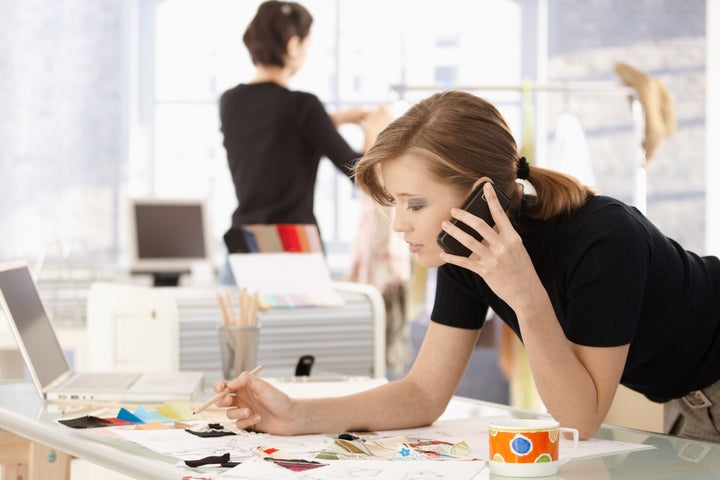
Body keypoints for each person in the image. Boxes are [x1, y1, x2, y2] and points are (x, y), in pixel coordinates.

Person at [214, 90, 720, 442]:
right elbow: (423, 393)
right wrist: (298, 415)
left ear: (481, 197)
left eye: (414, 204)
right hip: (686, 394)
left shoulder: (605, 239)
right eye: (394, 204)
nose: (398, 226)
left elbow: (580, 417)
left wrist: (524, 292)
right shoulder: (460, 253)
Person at [220, 0, 391, 255]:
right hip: (293, 244)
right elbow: (360, 173)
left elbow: (274, 136)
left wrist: (331, 120)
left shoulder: (230, 102)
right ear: (293, 44)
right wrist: (373, 130)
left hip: (245, 241)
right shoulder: (303, 105)